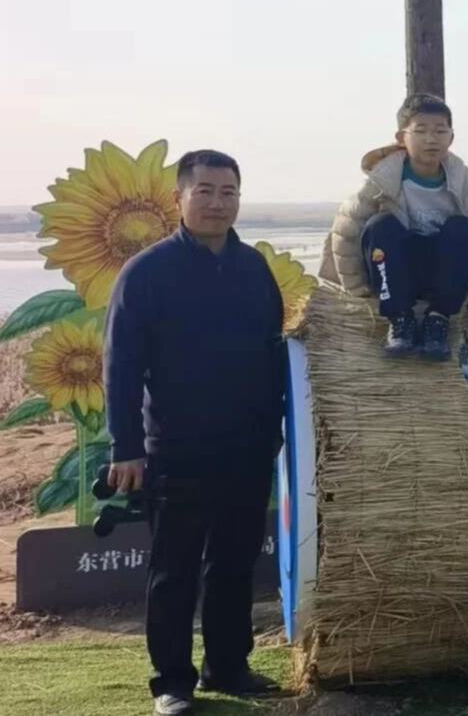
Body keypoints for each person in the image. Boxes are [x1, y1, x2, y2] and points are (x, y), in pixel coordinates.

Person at [105, 151, 286, 716]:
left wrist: (276, 431)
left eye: (228, 192)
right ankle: (172, 682)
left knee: (234, 563)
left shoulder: (253, 268)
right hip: (176, 448)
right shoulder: (147, 272)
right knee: (174, 569)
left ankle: (227, 666)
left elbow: (273, 352)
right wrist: (126, 448)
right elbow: (121, 367)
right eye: (204, 191)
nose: (217, 204)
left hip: (247, 446)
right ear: (179, 198)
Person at [321, 93, 468, 361]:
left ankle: (437, 319)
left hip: (443, 273)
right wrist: (357, 289)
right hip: (396, 272)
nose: (431, 139)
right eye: (421, 131)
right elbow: (347, 229)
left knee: (462, 228)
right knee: (381, 226)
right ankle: (400, 319)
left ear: (451, 137)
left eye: (440, 131)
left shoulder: (464, 179)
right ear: (401, 137)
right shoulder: (383, 178)